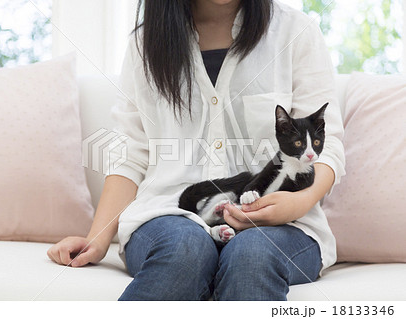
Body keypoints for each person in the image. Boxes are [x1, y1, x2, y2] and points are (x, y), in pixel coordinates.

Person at [47, 0, 345, 301]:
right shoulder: (144, 43)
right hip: (170, 216)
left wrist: (300, 202)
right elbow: (130, 152)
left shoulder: (296, 31)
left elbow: (326, 143)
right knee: (185, 249)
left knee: (251, 254)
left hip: (286, 226)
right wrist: (96, 239)